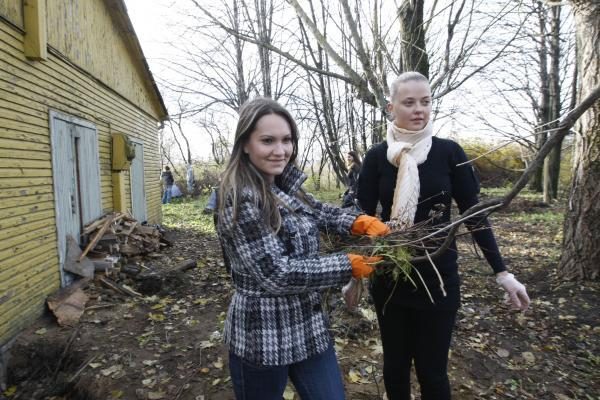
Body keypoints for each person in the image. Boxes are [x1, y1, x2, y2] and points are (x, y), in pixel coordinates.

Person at [357, 72, 530, 400]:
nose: (419, 109)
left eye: (425, 101)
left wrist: (502, 272)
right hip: (389, 279)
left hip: (439, 281)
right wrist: (353, 275)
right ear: (391, 107)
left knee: (432, 372)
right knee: (394, 368)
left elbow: (474, 215)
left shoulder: (450, 152)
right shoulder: (377, 156)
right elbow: (361, 218)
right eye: (409, 103)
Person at [216, 97, 389, 400]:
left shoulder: (283, 184)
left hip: (308, 327)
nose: (280, 150)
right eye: (267, 141)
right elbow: (275, 274)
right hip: (263, 334)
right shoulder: (239, 197)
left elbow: (318, 211)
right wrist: (346, 265)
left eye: (287, 140)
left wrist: (358, 221)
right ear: (245, 144)